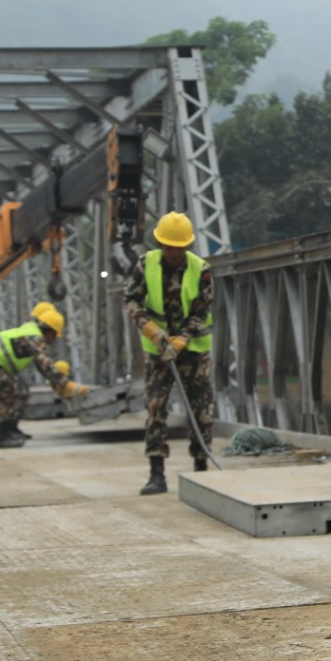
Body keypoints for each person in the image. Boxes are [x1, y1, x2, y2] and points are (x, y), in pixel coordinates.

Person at [125, 211, 214, 495]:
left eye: (179, 247)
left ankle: (201, 470)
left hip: (193, 351)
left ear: (187, 246)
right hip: (158, 351)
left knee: (200, 411)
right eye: (168, 247)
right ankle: (156, 474)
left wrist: (183, 339)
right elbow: (131, 299)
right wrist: (148, 327)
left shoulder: (201, 270)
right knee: (155, 408)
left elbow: (202, 310)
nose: (174, 252)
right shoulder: (145, 264)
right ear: (160, 244)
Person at [0, 308, 85, 447]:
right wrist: (67, 384)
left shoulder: (31, 332)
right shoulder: (33, 337)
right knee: (12, 392)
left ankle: (12, 429)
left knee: (22, 391)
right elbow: (45, 364)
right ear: (50, 331)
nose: (53, 340)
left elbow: (41, 367)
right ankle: (3, 437)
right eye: (54, 336)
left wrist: (57, 384)